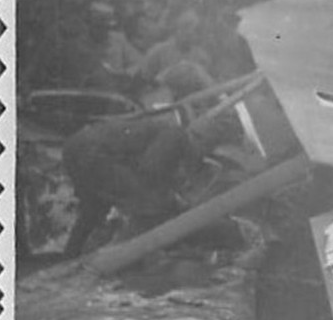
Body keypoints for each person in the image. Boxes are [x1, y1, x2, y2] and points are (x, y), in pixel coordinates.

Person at [62, 109, 232, 257]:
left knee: (93, 209)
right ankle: (118, 257)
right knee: (150, 204)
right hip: (92, 154)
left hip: (75, 147)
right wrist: (173, 201)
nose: (202, 155)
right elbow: (150, 171)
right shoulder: (176, 135)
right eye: (206, 149)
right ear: (201, 140)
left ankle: (71, 255)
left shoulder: (166, 131)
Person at [138, 9, 213, 100]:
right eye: (185, 27)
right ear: (177, 29)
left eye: (195, 31)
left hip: (191, 104)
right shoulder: (158, 51)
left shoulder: (201, 57)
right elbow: (143, 81)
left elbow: (205, 86)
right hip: (161, 103)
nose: (189, 33)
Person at [72, 1, 142, 92]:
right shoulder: (77, 45)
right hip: (87, 95)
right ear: (89, 24)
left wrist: (123, 75)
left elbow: (140, 64)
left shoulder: (119, 41)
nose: (102, 30)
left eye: (106, 27)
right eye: (98, 26)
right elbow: (70, 76)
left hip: (115, 96)